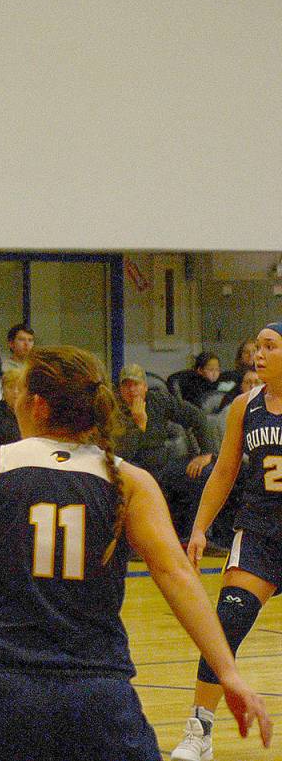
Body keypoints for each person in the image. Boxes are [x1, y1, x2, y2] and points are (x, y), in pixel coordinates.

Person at [0, 346, 272, 761]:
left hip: (6, 695)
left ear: (37, 405)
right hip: (100, 696)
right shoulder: (131, 480)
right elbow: (177, 575)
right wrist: (228, 673)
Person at [169, 323, 282, 761]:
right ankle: (199, 731)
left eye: (270, 347)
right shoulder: (244, 407)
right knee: (226, 623)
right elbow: (224, 472)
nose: (259, 354)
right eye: (257, 346)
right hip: (258, 533)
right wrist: (199, 528)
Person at [116, 363, 221, 540]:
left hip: (161, 466)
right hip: (129, 469)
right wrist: (138, 424)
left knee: (204, 473)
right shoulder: (113, 408)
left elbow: (198, 418)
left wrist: (206, 453)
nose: (132, 389)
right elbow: (122, 453)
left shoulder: (159, 400)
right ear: (120, 389)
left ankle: (196, 536)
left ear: (145, 387)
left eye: (136, 384)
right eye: (127, 385)